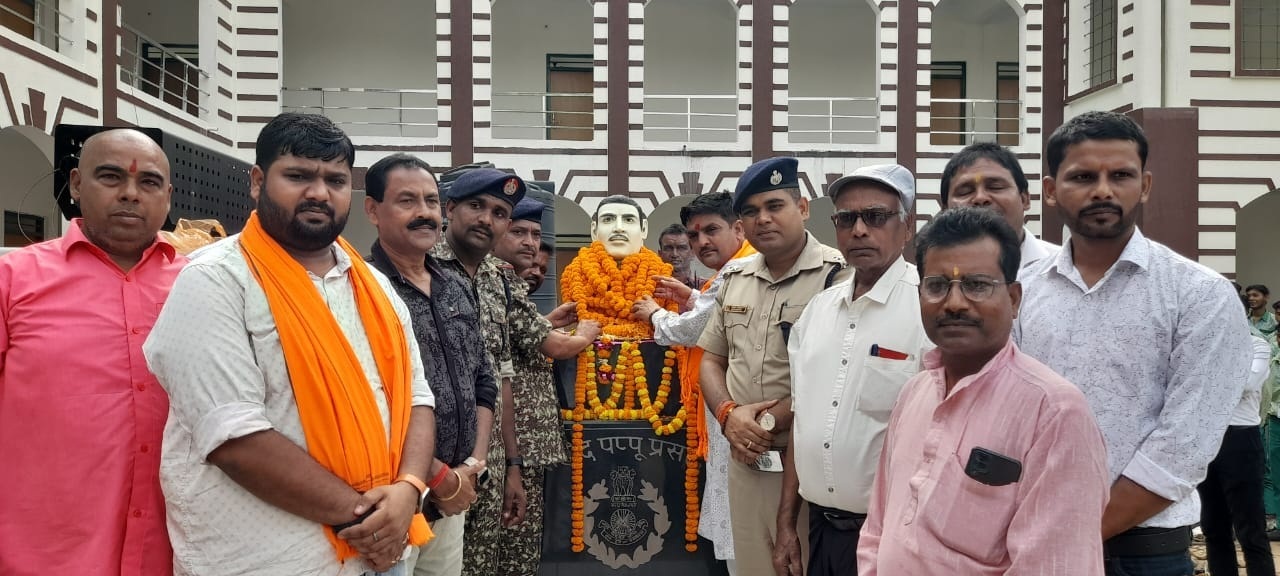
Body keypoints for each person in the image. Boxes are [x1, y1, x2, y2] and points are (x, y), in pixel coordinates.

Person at [144, 113, 436, 576]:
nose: (319, 193)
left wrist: (410, 488)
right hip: (269, 561)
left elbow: (418, 399)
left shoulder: (375, 286)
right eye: (299, 176)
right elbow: (234, 438)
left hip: (380, 556)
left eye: (335, 180)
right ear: (258, 182)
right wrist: (374, 522)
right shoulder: (216, 280)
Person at [1016, 110, 1252, 576]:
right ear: (1050, 190)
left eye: (1120, 176)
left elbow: (1183, 446)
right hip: (1031, 540)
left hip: (1144, 553)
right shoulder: (1023, 292)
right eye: (1083, 177)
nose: (1103, 190)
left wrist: (1074, 534)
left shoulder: (1199, 294)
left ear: (1144, 186)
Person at [858, 207, 1109, 575]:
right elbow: (877, 527)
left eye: (976, 285)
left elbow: (1053, 566)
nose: (954, 303)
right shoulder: (914, 392)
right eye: (937, 286)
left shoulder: (1055, 413)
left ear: (1014, 298)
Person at [0, 128, 184, 576]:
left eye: (148, 182)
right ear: (77, 185)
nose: (131, 193)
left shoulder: (201, 286)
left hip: (172, 557)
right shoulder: (12, 279)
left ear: (167, 197)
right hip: (40, 557)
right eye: (111, 176)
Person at [429, 167, 596, 576]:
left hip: (497, 452)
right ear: (449, 209)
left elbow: (499, 376)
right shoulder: (425, 267)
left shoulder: (494, 278)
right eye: (476, 206)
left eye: (500, 213)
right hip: (436, 453)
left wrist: (512, 464)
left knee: (497, 560)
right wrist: (586, 332)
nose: (488, 219)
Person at [697, 157, 849, 576]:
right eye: (751, 211)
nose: (762, 219)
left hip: (806, 472)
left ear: (802, 208)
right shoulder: (735, 279)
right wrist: (728, 414)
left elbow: (837, 378)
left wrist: (760, 423)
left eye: (775, 206)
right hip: (744, 464)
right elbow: (711, 359)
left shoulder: (838, 278)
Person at [781, 164, 933, 576]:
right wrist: (786, 525)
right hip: (819, 529)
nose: (860, 230)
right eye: (847, 219)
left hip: (895, 537)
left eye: (876, 217)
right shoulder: (818, 311)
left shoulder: (927, 309)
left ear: (907, 227)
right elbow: (802, 422)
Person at [363, 153, 497, 576]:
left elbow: (483, 379)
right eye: (407, 201)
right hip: (392, 499)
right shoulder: (362, 288)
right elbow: (371, 401)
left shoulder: (454, 284)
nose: (424, 212)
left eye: (431, 201)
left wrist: (472, 468)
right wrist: (437, 478)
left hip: (453, 498)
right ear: (373, 210)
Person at [631, 191, 756, 574]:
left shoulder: (739, 269)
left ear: (738, 229)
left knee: (743, 526)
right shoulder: (734, 270)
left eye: (711, 231)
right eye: (694, 235)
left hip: (740, 413)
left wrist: (654, 314)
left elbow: (691, 329)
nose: (702, 242)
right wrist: (692, 297)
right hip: (732, 410)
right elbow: (714, 313)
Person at [489, 198, 577, 576]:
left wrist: (549, 322)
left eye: (536, 235)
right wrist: (590, 330)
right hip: (512, 445)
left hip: (527, 448)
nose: (529, 244)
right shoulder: (498, 279)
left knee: (520, 545)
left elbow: (528, 333)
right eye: (519, 232)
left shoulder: (505, 285)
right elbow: (554, 346)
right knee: (513, 546)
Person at [1194, 327, 1276, 576]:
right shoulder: (1202, 343)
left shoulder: (1257, 345)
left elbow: (1248, 384)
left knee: (1250, 529)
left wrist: (1205, 377)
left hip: (1241, 438)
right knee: (1213, 526)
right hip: (1208, 436)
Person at [940, 141, 1059, 272]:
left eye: (995, 187)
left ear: (1024, 199)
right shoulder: (931, 272)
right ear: (945, 210)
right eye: (965, 192)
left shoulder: (1062, 269)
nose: (980, 198)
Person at [658, 222, 705, 290]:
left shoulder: (706, 287)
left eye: (681, 248)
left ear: (693, 253)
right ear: (660, 254)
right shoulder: (652, 286)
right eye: (668, 248)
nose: (675, 254)